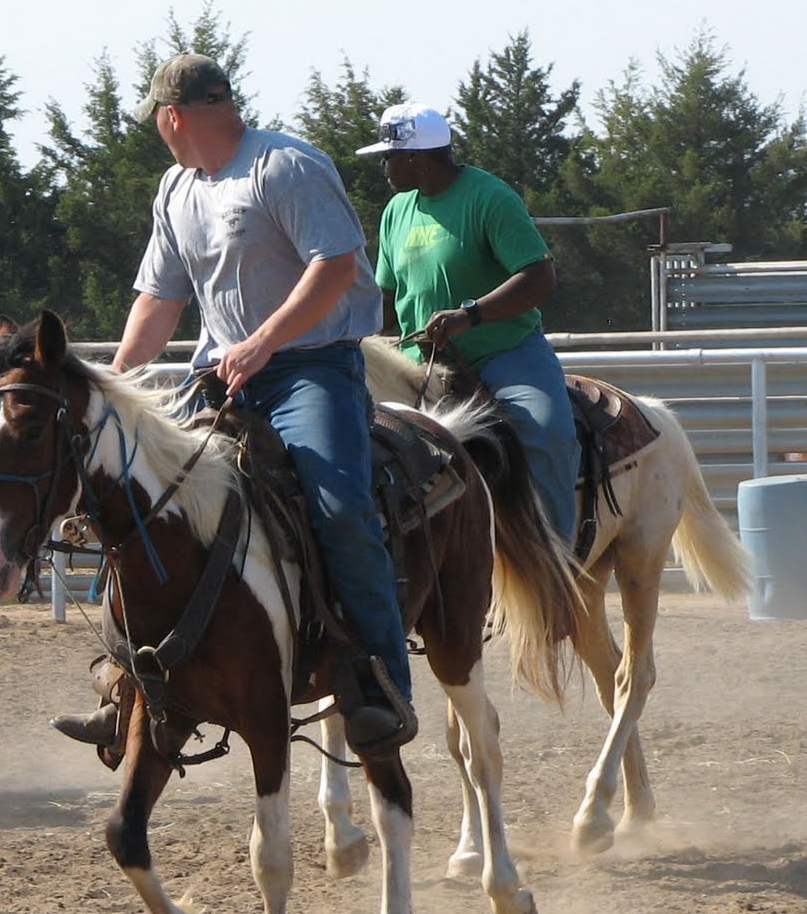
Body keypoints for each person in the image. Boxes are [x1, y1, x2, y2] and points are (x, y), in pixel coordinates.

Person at [50, 53, 416, 760]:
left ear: (173, 115)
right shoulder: (176, 188)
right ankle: (126, 681)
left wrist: (261, 342)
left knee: (340, 508)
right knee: (132, 494)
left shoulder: (284, 165)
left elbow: (334, 266)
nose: (158, 131)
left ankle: (378, 685)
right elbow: (159, 300)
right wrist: (113, 382)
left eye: (157, 120)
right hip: (221, 374)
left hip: (310, 371)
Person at [358, 102, 578, 544]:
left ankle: (555, 555)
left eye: (389, 156)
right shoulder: (397, 211)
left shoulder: (490, 197)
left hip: (504, 354)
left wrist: (470, 315)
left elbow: (538, 276)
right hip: (416, 364)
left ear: (417, 157)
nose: (384, 166)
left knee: (545, 428)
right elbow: (384, 297)